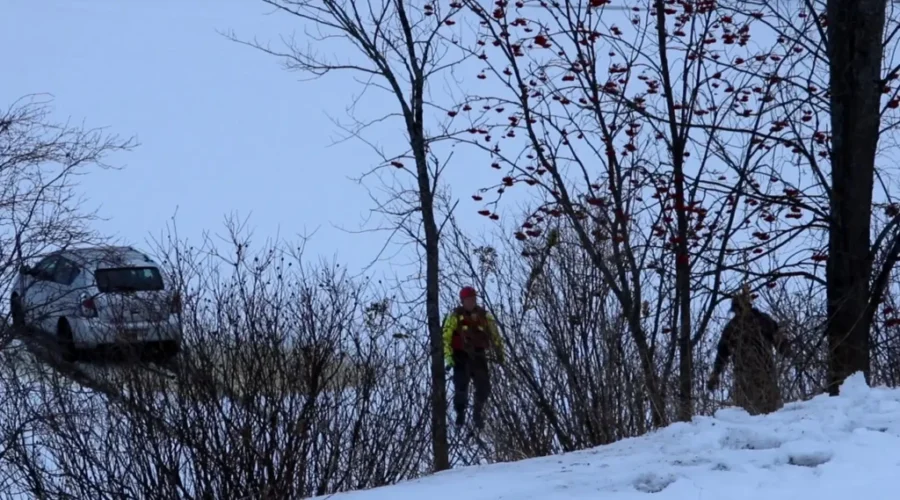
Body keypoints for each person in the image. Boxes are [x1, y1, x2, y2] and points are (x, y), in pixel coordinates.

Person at [707, 287, 793, 415]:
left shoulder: (759, 321)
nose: (738, 312)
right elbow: (722, 353)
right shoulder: (736, 326)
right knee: (754, 410)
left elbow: (779, 340)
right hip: (748, 374)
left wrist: (789, 353)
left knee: (763, 410)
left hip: (760, 372)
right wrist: (716, 374)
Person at [442, 286, 504, 430]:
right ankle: (460, 415)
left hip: (479, 356)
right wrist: (449, 358)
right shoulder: (454, 317)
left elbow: (495, 336)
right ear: (462, 301)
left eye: (473, 299)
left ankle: (478, 413)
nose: (471, 302)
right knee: (460, 388)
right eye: (468, 300)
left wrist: (500, 354)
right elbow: (445, 338)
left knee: (484, 388)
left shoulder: (485, 316)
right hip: (460, 357)